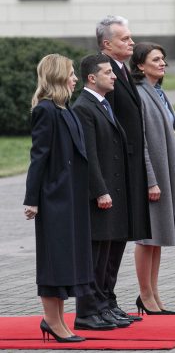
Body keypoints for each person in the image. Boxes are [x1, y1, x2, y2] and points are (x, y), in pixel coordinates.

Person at [23, 54, 92, 343]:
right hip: (54, 198)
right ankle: (52, 321)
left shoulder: (66, 109)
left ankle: (58, 321)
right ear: (57, 76)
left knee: (66, 260)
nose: (75, 78)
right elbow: (38, 157)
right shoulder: (46, 111)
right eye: (72, 73)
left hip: (72, 196)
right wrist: (32, 199)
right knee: (54, 260)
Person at [130, 42, 175, 315]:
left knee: (159, 236)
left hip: (166, 172)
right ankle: (145, 294)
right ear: (140, 65)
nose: (162, 63)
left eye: (163, 59)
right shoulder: (140, 95)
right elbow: (140, 141)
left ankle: (153, 294)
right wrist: (150, 180)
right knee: (147, 237)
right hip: (152, 176)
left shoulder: (159, 93)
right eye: (156, 59)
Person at [72, 54, 134, 331]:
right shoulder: (84, 107)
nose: (113, 76)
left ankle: (104, 306)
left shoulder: (103, 104)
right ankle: (87, 312)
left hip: (114, 192)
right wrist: (99, 190)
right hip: (100, 195)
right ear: (91, 78)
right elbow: (89, 156)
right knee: (95, 256)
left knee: (109, 255)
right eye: (108, 72)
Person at [95, 15, 151, 321]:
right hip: (115, 168)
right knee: (110, 236)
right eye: (125, 39)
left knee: (120, 236)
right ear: (107, 44)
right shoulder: (102, 73)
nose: (131, 42)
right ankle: (100, 303)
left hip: (128, 166)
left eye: (130, 37)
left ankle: (109, 300)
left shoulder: (123, 71)